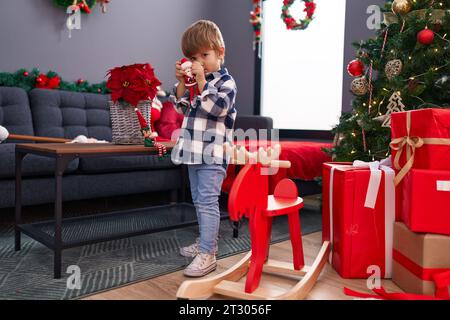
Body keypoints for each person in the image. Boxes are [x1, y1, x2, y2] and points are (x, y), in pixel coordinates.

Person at [169, 20, 237, 277]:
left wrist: (199, 80)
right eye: (193, 58)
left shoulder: (225, 83)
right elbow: (181, 107)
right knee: (199, 201)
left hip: (212, 154)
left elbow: (216, 108)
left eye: (205, 55)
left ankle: (208, 254)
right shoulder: (198, 82)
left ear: (220, 52)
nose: (200, 62)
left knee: (208, 202)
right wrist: (181, 83)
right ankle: (205, 241)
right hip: (193, 153)